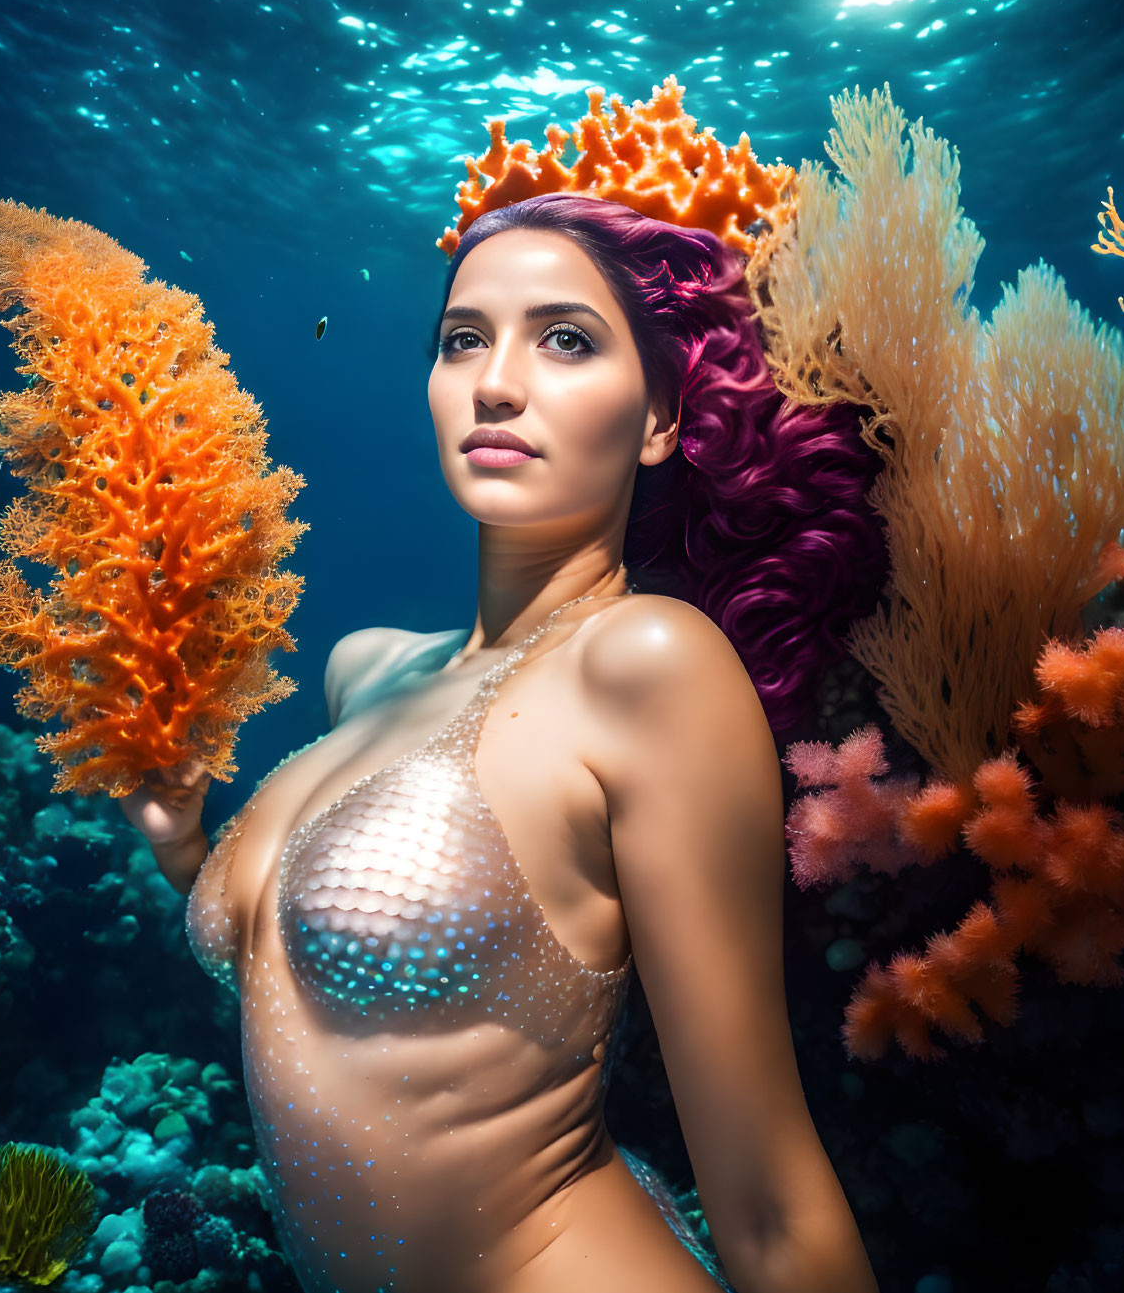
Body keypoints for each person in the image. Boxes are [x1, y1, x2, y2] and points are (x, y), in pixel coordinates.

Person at [122, 193, 884, 1293]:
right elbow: (328, 1010)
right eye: (462, 339)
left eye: (565, 339)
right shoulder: (365, 669)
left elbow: (766, 1195)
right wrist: (187, 853)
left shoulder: (649, 665)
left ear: (663, 416)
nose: (494, 380)